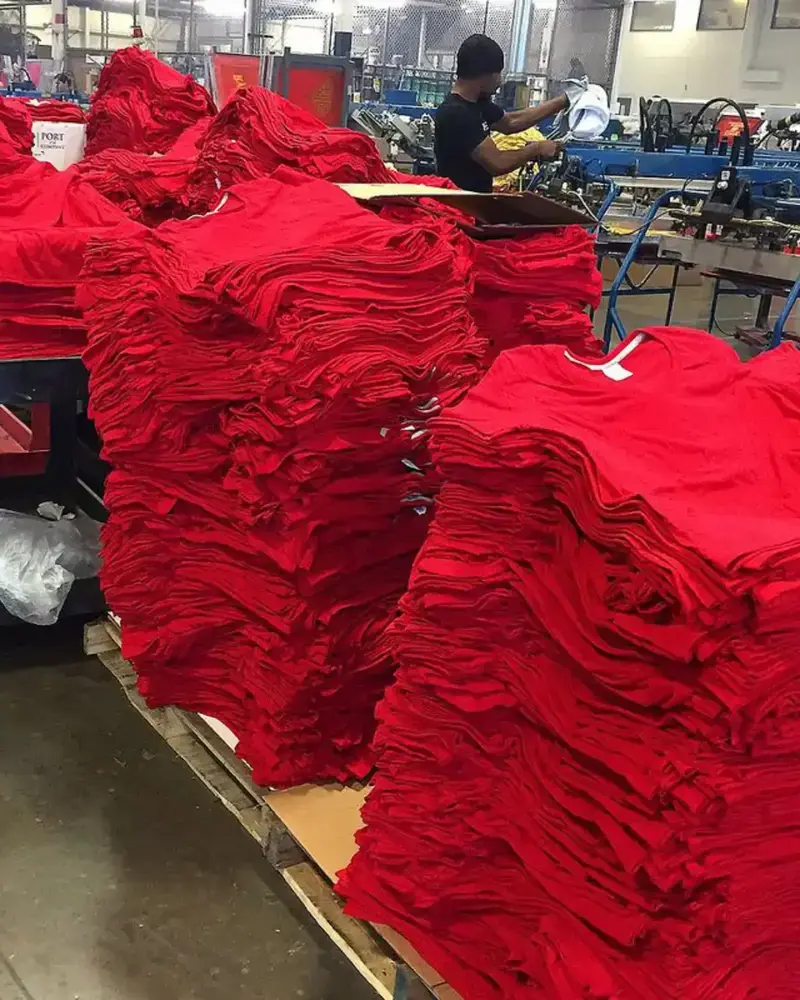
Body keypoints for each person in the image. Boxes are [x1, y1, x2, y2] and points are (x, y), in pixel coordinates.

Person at [435, 34, 579, 192]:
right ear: (484, 75)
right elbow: (497, 163)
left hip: (477, 204)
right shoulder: (456, 113)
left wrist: (564, 100)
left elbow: (511, 122)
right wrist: (536, 149)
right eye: (498, 74)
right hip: (460, 209)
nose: (500, 81)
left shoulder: (477, 103)